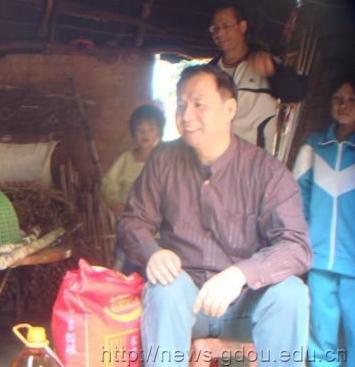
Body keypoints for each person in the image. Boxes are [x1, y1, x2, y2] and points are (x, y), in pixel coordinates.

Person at [117, 65, 312, 366]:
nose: (186, 115)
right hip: (184, 303)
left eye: (199, 104)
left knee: (291, 293)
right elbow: (132, 221)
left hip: (244, 304)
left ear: (229, 109)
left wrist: (241, 274)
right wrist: (152, 252)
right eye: (181, 105)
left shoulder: (266, 171)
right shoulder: (164, 159)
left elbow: (296, 247)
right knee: (164, 286)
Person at [293, 71, 355, 366]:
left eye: (352, 99)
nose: (343, 105)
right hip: (319, 259)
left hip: (353, 259)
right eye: (338, 98)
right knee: (320, 336)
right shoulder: (313, 146)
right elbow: (296, 198)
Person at [208, 5, 308, 153]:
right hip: (216, 158)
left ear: (242, 26)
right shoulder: (209, 72)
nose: (219, 32)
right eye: (214, 28)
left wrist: (274, 72)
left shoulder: (266, 63)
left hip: (254, 161)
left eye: (226, 26)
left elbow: (298, 92)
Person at [101, 104, 165, 272]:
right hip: (130, 226)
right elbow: (108, 182)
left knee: (154, 271)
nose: (145, 134)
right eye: (140, 129)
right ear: (133, 132)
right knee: (124, 268)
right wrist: (115, 202)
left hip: (159, 231)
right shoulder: (126, 159)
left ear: (159, 131)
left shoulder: (165, 159)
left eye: (151, 129)